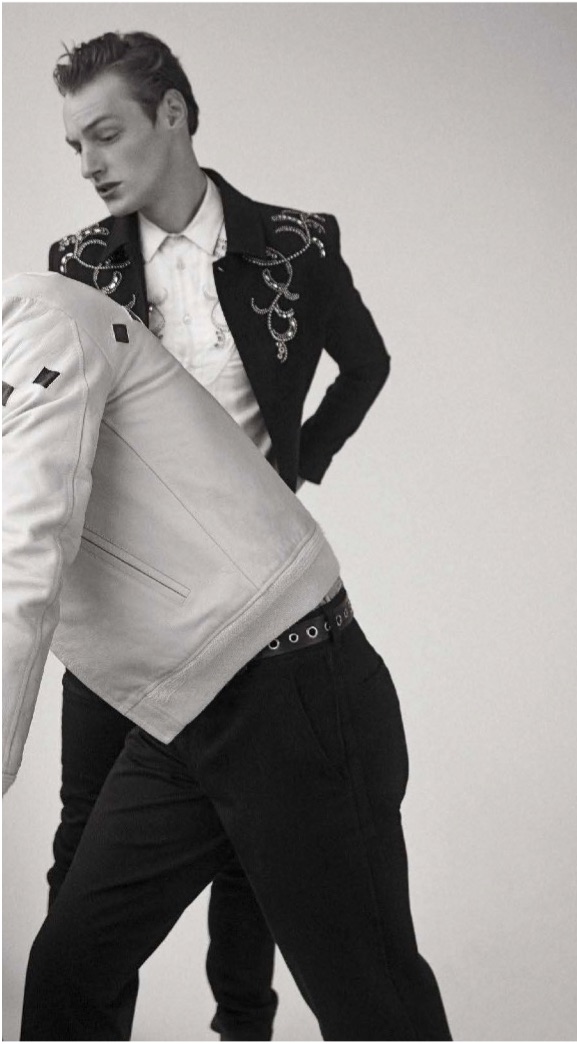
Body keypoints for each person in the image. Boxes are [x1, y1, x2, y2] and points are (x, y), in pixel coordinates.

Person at [45, 29, 390, 1041]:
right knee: (83, 853)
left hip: (247, 606)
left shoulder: (295, 243)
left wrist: (294, 470)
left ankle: (244, 1027)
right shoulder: (76, 266)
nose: (89, 162)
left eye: (106, 133)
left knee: (257, 846)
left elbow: (365, 365)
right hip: (122, 612)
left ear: (173, 114)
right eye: (75, 145)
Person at [2, 272, 451, 1042]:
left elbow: (25, 542)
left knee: (369, 1006)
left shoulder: (43, 325)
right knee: (72, 972)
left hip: (288, 689)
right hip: (180, 716)